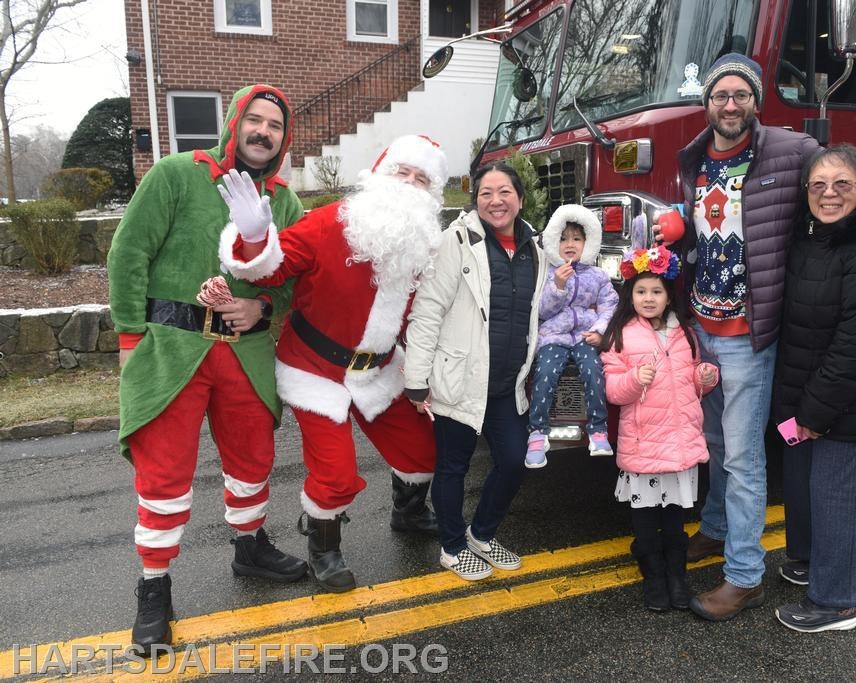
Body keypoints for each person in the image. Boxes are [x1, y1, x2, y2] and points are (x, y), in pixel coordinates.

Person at [667, 53, 856, 621]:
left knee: (742, 459)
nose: (729, 105)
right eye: (719, 95)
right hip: (700, 330)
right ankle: (715, 527)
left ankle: (744, 574)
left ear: (756, 101)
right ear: (706, 103)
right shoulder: (692, 157)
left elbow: (855, 196)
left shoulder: (793, 151)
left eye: (740, 94)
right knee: (712, 444)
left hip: (749, 335)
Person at [107, 85, 307, 651]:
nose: (264, 131)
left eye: (275, 125)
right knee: (164, 472)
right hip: (173, 349)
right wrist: (129, 339)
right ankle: (154, 586)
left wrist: (262, 306)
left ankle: (249, 548)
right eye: (256, 119)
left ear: (283, 138)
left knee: (253, 460)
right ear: (235, 121)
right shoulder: (176, 174)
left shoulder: (286, 203)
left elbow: (295, 280)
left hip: (244, 354)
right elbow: (128, 254)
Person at [217, 135, 448, 593]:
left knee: (425, 454)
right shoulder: (328, 224)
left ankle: (408, 510)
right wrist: (254, 236)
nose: (409, 185)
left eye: (421, 179)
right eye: (401, 172)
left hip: (379, 369)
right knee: (336, 474)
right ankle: (324, 547)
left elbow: (430, 315)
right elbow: (268, 269)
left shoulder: (426, 246)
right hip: (315, 369)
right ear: (378, 176)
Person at [772, 145, 856, 632]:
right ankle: (808, 563)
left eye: (842, 184)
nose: (829, 194)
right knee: (806, 486)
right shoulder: (811, 235)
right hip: (806, 395)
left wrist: (814, 413)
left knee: (838, 495)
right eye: (818, 185)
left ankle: (838, 603)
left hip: (846, 405)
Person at [403, 162, 546, 581]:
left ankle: (482, 534)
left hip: (506, 383)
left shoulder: (535, 246)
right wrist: (416, 380)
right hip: (459, 378)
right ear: (475, 200)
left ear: (519, 198)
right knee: (453, 465)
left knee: (514, 460)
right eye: (486, 193)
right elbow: (428, 310)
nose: (495, 201)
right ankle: (452, 547)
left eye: (504, 192)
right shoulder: (456, 242)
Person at [600, 245, 719, 611]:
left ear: (669, 296)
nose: (648, 298)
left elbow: (693, 385)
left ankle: (677, 575)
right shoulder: (620, 335)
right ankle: (653, 574)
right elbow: (614, 391)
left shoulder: (685, 332)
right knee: (646, 517)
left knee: (675, 518)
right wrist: (635, 379)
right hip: (644, 445)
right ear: (629, 294)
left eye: (656, 291)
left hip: (679, 444)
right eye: (640, 291)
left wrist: (705, 379)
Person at [526, 204, 619, 467]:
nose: (570, 244)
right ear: (554, 242)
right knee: (545, 373)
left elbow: (609, 306)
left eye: (577, 239)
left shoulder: (599, 275)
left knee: (593, 369)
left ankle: (598, 430)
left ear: (588, 243)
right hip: (554, 336)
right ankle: (538, 433)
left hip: (584, 336)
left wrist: (600, 332)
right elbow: (542, 311)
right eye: (563, 238)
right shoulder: (547, 274)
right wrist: (558, 285)